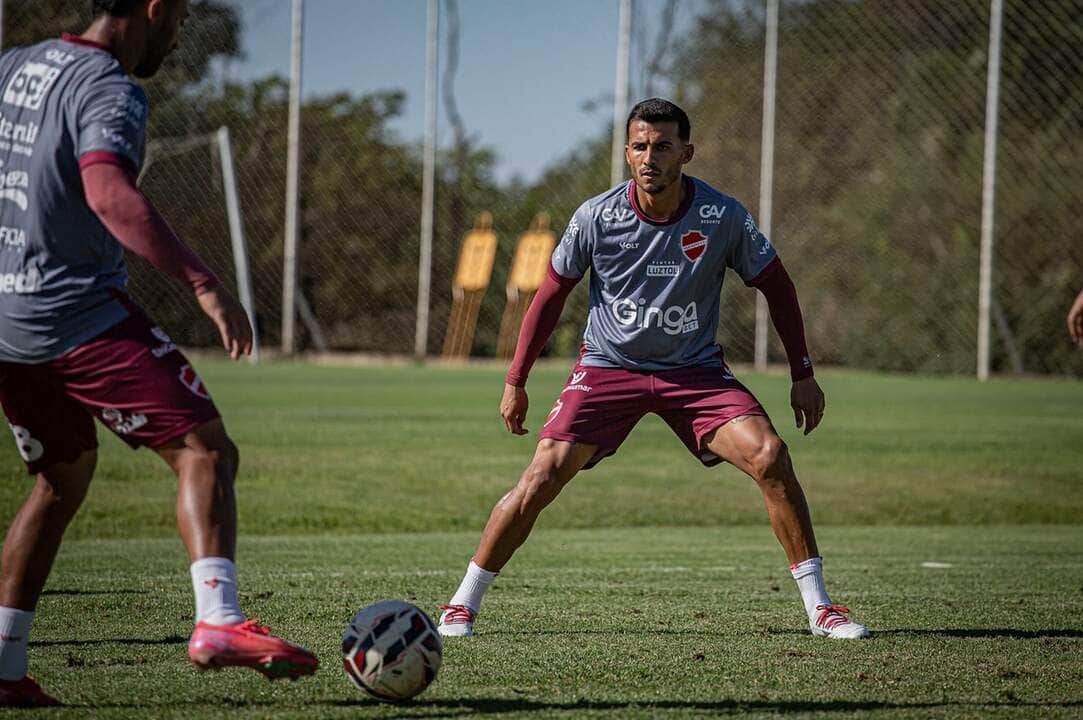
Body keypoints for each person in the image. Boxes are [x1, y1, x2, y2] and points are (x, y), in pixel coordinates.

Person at [437, 98, 869, 642]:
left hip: (694, 372)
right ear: (627, 153)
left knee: (770, 456)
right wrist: (516, 380)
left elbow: (777, 286)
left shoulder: (721, 216)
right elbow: (550, 295)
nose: (650, 157)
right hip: (608, 367)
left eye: (663, 146)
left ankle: (821, 608)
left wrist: (802, 373)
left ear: (686, 153)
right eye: (640, 146)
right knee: (543, 473)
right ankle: (462, 603)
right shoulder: (596, 217)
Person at [0, 0, 317, 706]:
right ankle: (220, 621)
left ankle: (3, 662)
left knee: (60, 478)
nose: (177, 36)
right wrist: (205, 283)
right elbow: (108, 193)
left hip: (6, 322)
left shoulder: (14, 67)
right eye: (178, 17)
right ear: (152, 8)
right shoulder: (108, 86)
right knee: (205, 451)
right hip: (72, 312)